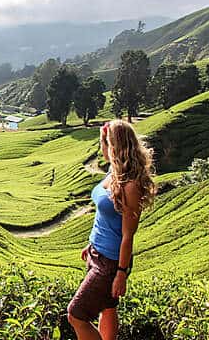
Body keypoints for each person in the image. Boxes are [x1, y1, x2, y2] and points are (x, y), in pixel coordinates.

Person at [67, 119, 157, 340]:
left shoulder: (131, 185)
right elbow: (103, 214)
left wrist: (121, 273)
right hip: (97, 252)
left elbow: (128, 235)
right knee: (108, 306)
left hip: (111, 262)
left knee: (76, 314)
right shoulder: (112, 171)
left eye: (103, 142)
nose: (101, 148)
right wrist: (91, 243)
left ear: (114, 145)